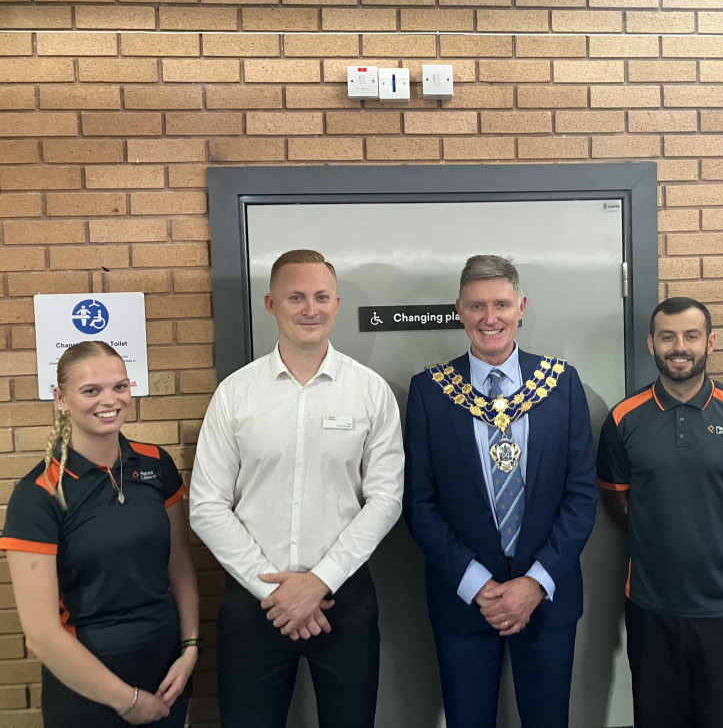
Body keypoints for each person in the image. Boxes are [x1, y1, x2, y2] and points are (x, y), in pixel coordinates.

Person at [189, 249, 403, 728]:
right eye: (296, 297)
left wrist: (319, 581)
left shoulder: (370, 392)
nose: (311, 308)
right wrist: (277, 593)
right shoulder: (236, 394)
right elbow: (206, 505)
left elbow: (386, 500)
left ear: (337, 303)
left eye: (322, 296)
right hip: (255, 603)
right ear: (271, 304)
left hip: (343, 601)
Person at [403, 254, 598, 728]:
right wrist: (479, 585)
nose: (490, 318)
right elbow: (419, 503)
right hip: (464, 599)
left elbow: (581, 496)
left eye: (501, 305)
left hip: (547, 596)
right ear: (459, 311)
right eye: (476, 306)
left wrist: (534, 582)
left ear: (521, 307)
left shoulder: (561, 383)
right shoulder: (430, 390)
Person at [596, 297, 723, 728]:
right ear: (651, 343)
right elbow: (616, 501)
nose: (678, 346)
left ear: (710, 343)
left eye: (690, 336)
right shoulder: (624, 419)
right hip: (652, 609)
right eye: (667, 336)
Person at [0, 341, 199, 727]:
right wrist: (127, 701)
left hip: (167, 672)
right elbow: (40, 635)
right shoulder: (39, 493)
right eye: (91, 390)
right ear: (61, 398)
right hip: (87, 686)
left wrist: (190, 648)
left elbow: (181, 566)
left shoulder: (156, 464)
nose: (110, 400)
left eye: (119, 387)